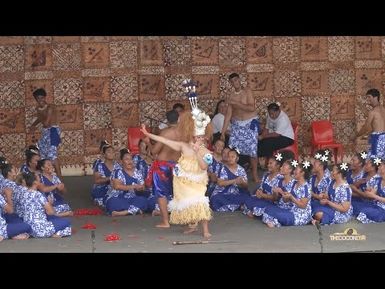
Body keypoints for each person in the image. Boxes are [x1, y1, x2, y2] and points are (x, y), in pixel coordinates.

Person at [141, 79, 213, 238]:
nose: (198, 139)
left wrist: (197, 152)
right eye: (196, 137)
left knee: (199, 200)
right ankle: (192, 224)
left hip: (196, 180)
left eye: (200, 138)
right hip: (182, 177)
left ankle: (205, 230)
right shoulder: (183, 144)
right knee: (186, 200)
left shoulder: (204, 151)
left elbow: (203, 167)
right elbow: (165, 141)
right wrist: (148, 135)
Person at [144, 109, 181, 228]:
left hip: (163, 166)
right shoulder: (184, 133)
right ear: (178, 119)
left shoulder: (165, 133)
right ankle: (183, 218)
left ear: (167, 120)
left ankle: (166, 221)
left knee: (161, 194)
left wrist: (148, 142)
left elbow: (154, 152)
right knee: (180, 192)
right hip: (178, 165)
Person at [221, 73, 260, 183]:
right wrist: (223, 132)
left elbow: (251, 108)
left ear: (239, 80)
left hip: (250, 123)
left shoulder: (247, 91)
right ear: (230, 83)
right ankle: (234, 173)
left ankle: (255, 174)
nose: (235, 82)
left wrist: (235, 103)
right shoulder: (231, 96)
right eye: (232, 81)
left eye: (236, 80)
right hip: (237, 124)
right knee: (233, 150)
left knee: (252, 151)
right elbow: (228, 114)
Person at [29, 88, 63, 179]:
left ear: (45, 97)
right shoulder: (39, 108)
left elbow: (46, 123)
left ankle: (59, 178)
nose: (40, 100)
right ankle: (46, 176)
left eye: (41, 98)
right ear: (35, 99)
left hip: (53, 132)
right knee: (43, 153)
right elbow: (40, 119)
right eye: (37, 99)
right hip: (45, 132)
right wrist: (33, 125)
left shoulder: (50, 107)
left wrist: (40, 114)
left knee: (52, 155)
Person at [258, 102, 294, 167]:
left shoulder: (283, 118)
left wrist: (263, 137)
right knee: (259, 141)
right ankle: (261, 162)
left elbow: (276, 134)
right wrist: (261, 136)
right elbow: (267, 128)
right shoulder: (269, 116)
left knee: (268, 143)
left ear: (278, 111)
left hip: (287, 138)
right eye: (270, 113)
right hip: (276, 136)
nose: (271, 115)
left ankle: (269, 164)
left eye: (273, 113)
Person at [355, 88, 385, 159]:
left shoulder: (372, 112)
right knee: (382, 161)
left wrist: (357, 135)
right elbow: (377, 124)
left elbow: (366, 127)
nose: (367, 99)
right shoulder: (383, 109)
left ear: (376, 97)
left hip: (377, 139)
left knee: (373, 161)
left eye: (369, 97)